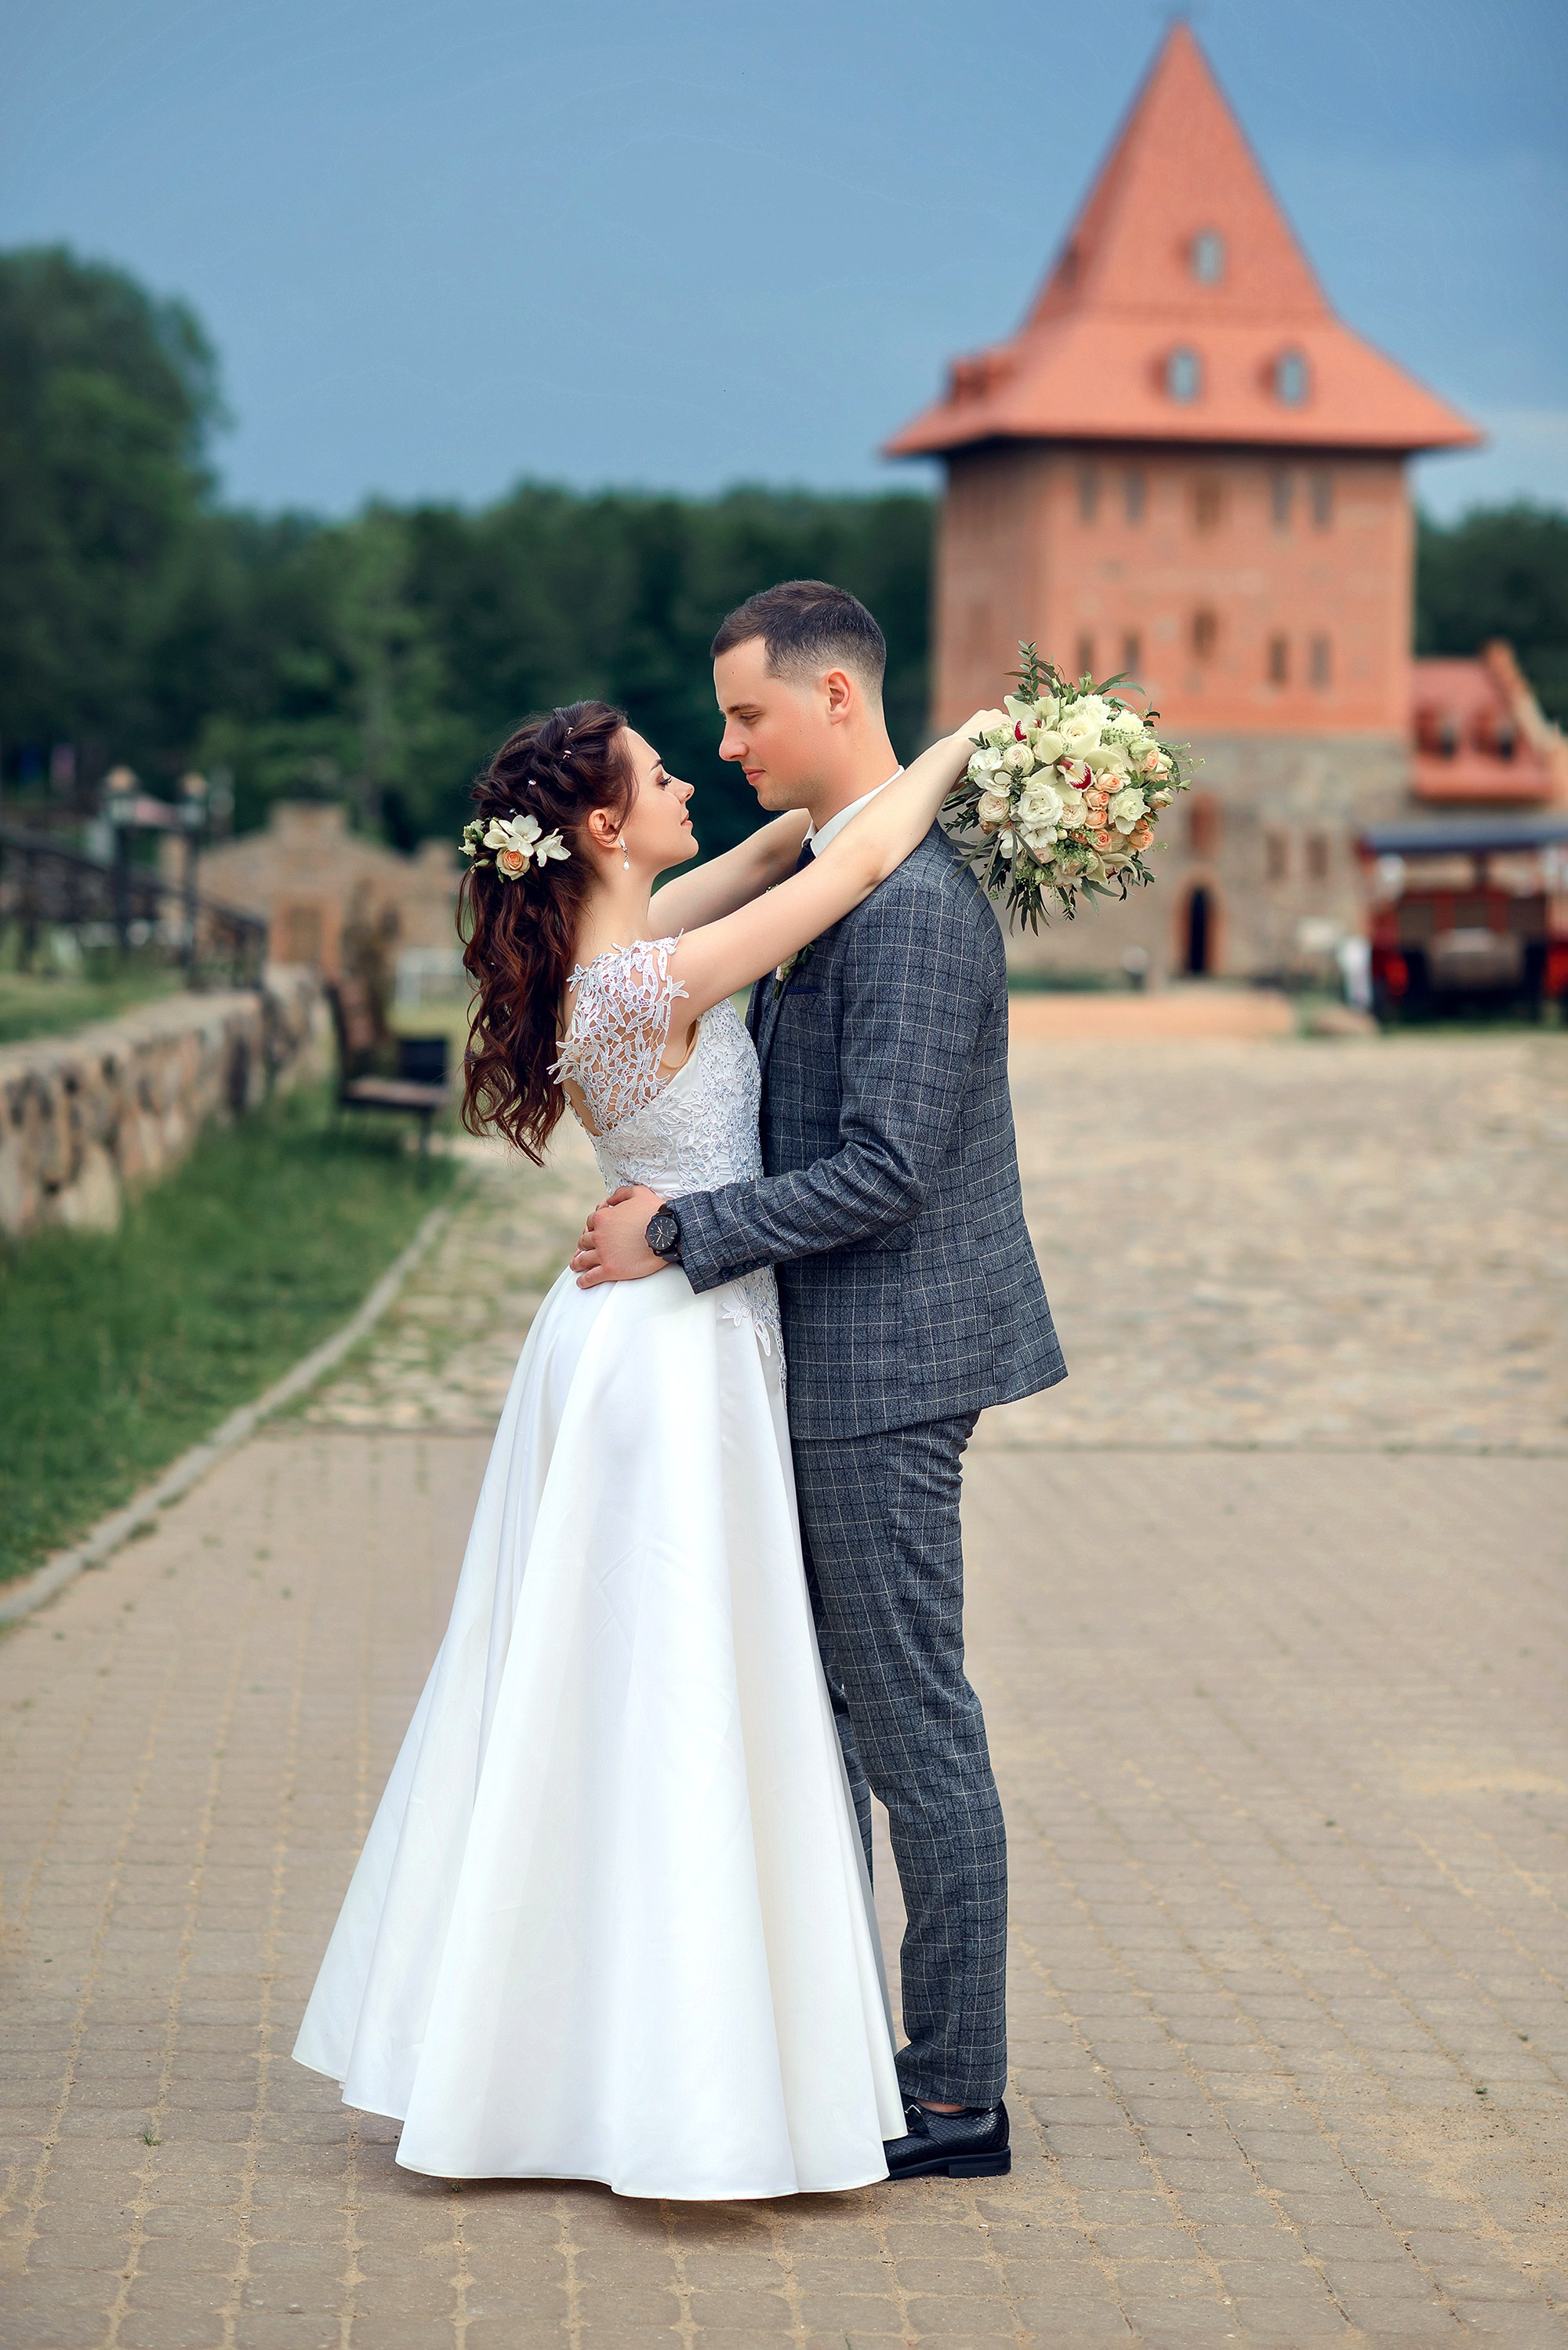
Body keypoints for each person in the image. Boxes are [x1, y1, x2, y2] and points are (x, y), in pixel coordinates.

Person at [292, 659, 1016, 2198]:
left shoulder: (623, 945)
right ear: (610, 826)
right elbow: (866, 862)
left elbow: (796, 850)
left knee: (628, 1683)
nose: (698, 777)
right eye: (661, 770)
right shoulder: (644, 978)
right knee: (684, 1689)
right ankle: (690, 2056)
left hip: (638, 1329)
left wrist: (821, 799)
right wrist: (971, 742)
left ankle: (634, 2032)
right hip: (676, 1349)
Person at [573, 581, 1065, 2181]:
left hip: (886, 1362)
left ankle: (956, 2093)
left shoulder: (913, 909)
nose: (725, 745)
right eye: (709, 725)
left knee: (911, 1723)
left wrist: (683, 1230)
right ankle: (839, 2046)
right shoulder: (840, 875)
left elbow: (887, 1173)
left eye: (747, 716)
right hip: (813, 1353)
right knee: (840, 1724)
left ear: (839, 699)